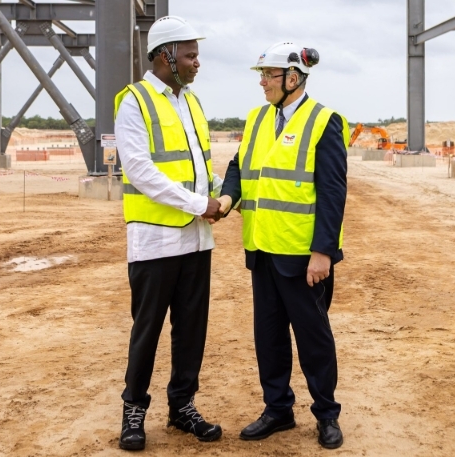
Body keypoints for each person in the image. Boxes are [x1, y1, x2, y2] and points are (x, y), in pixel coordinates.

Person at [217, 42, 349, 450]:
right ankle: (278, 409)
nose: (261, 83)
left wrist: (323, 251)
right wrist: (226, 198)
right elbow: (240, 166)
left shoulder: (323, 121)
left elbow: (332, 191)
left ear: (293, 78)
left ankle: (326, 414)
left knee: (313, 339)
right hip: (261, 248)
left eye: (268, 75)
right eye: (261, 75)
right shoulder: (258, 118)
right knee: (269, 336)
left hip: (301, 254)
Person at [113, 15, 223, 451]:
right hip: (155, 241)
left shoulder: (191, 102)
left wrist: (219, 194)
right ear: (165, 56)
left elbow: (200, 166)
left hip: (196, 239)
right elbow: (140, 170)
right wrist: (201, 205)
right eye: (190, 54)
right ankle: (133, 411)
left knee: (191, 330)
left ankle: (182, 407)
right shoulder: (134, 102)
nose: (198, 62)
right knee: (148, 330)